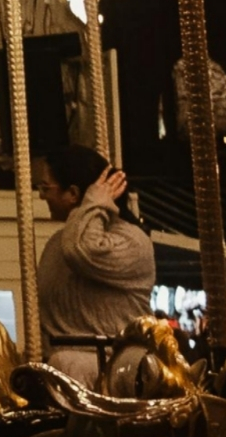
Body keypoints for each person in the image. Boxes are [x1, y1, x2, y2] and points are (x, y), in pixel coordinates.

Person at [32, 145, 157, 388]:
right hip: (65, 368)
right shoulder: (57, 243)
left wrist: (95, 203)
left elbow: (82, 251)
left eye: (46, 188)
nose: (41, 195)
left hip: (114, 372)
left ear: (74, 193)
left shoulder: (132, 241)